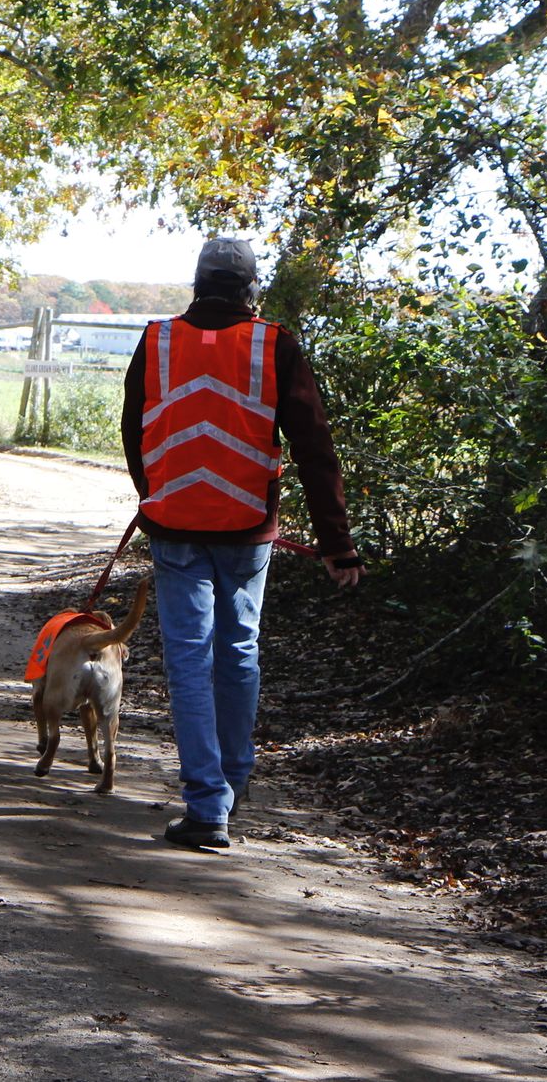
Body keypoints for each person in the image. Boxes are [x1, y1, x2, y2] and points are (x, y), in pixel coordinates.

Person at [121, 237, 361, 852]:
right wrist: (338, 544)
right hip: (247, 525)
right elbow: (314, 446)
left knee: (189, 660)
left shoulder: (157, 340)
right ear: (251, 287)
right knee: (238, 649)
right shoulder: (273, 344)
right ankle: (232, 782)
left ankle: (208, 806)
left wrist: (156, 494)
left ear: (198, 283)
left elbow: (134, 430)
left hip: (174, 523)